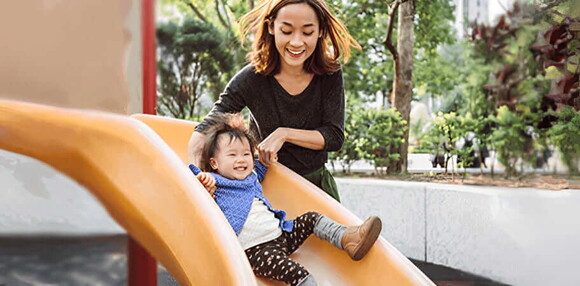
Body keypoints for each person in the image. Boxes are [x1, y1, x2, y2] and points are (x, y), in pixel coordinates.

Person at [188, 0, 361, 202]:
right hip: (265, 188)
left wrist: (284, 134)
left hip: (315, 186)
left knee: (334, 231)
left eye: (307, 32)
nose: (296, 42)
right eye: (286, 31)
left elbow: (334, 136)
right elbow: (208, 126)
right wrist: (195, 174)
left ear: (321, 31)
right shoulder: (252, 78)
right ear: (271, 27)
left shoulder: (329, 73)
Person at [189, 112, 382, 286]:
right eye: (232, 155)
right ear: (214, 163)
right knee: (299, 275)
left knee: (312, 218)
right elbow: (194, 185)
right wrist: (204, 181)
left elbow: (263, 162)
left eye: (246, 154)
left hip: (281, 235)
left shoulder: (252, 176)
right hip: (256, 251)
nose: (241, 159)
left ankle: (348, 238)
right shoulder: (216, 182)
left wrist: (268, 154)